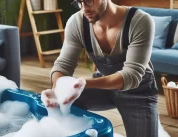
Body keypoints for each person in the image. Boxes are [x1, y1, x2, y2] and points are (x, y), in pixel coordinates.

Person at [43, 0, 159, 137]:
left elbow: (132, 75)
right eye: (79, 2)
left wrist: (81, 84)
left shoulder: (140, 21)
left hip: (138, 92)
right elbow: (63, 64)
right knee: (64, 101)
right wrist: (58, 89)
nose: (84, 8)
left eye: (89, 1)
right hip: (104, 88)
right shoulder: (77, 22)